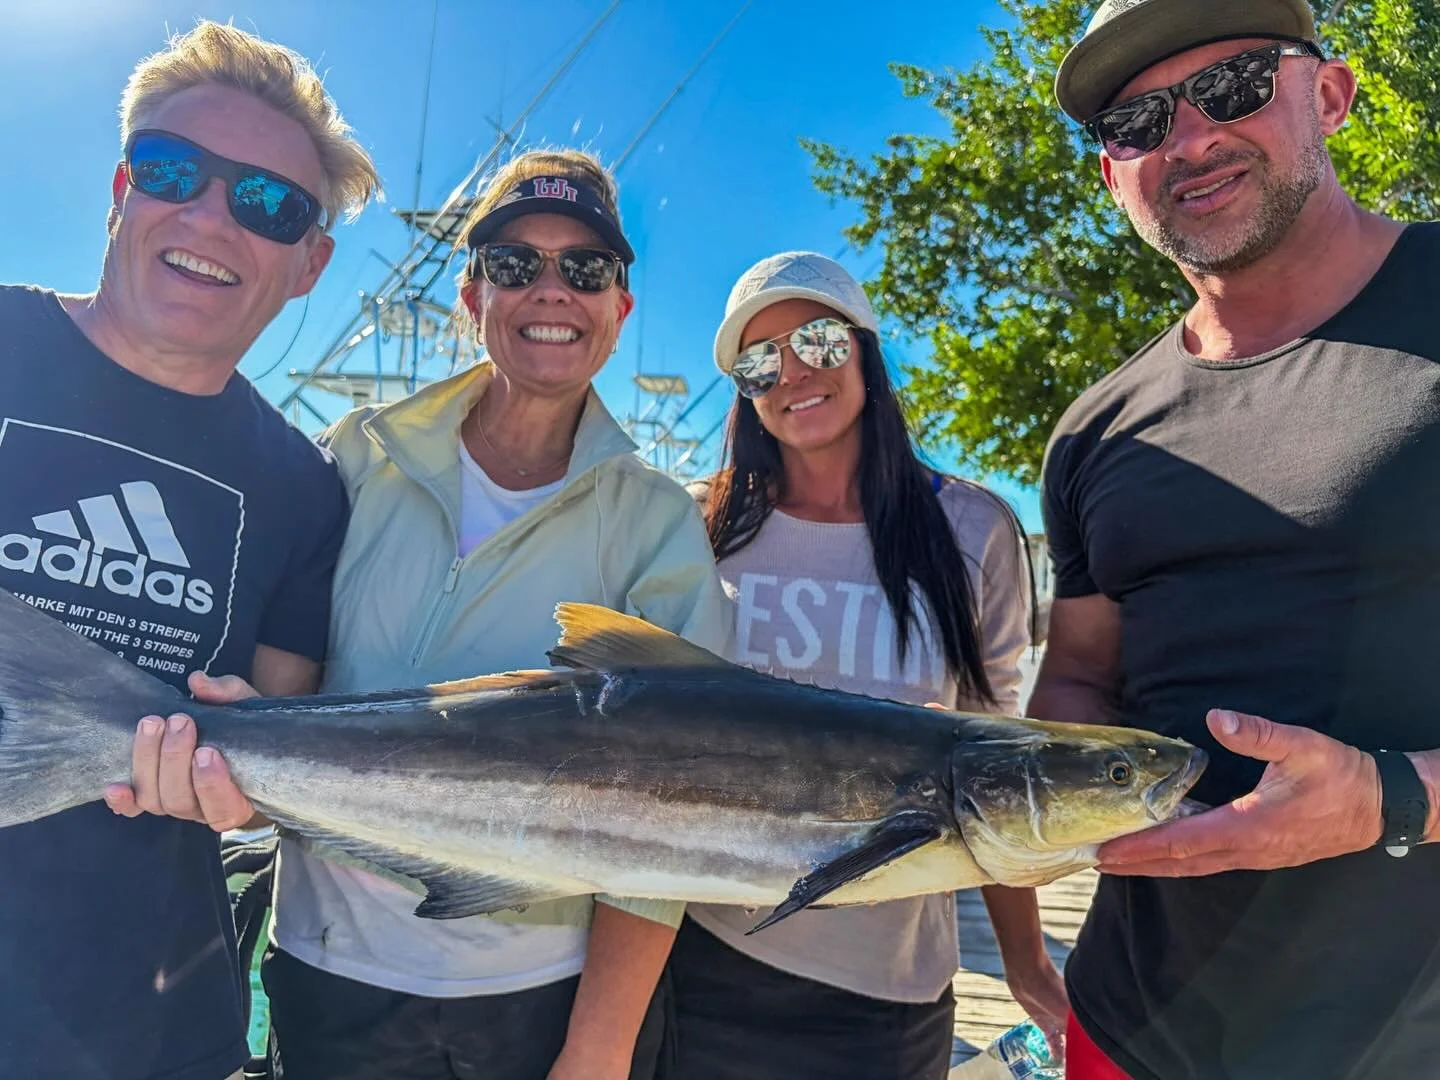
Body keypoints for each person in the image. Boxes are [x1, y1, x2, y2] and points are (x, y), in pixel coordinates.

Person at [116, 148, 735, 1080]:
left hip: (538, 997)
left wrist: (599, 1046)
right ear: (471, 295)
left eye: (587, 269)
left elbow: (674, 821)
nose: (552, 291)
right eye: (516, 265)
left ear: (620, 310)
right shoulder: (355, 455)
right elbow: (289, 677)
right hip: (326, 973)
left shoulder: (657, 524)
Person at [1039, 1, 1440, 1076]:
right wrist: (1024, 793)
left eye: (1233, 88)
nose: (1190, 138)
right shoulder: (1093, 432)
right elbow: (1078, 677)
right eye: (1136, 122)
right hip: (1128, 1029)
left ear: (1331, 94)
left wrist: (1395, 797)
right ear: (1110, 178)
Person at [0, 19, 378, 1080]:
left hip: (153, 1032)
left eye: (268, 203)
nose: (212, 214)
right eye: (176, 170)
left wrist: (246, 776)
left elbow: (271, 729)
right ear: (124, 186)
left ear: (309, 265)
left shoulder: (303, 487)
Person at [666, 251, 1069, 1079]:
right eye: (758, 361)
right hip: (696, 963)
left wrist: (1027, 969)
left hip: (885, 993)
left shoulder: (972, 529)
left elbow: (996, 766)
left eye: (816, 340)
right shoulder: (695, 529)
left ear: (865, 349)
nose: (792, 374)